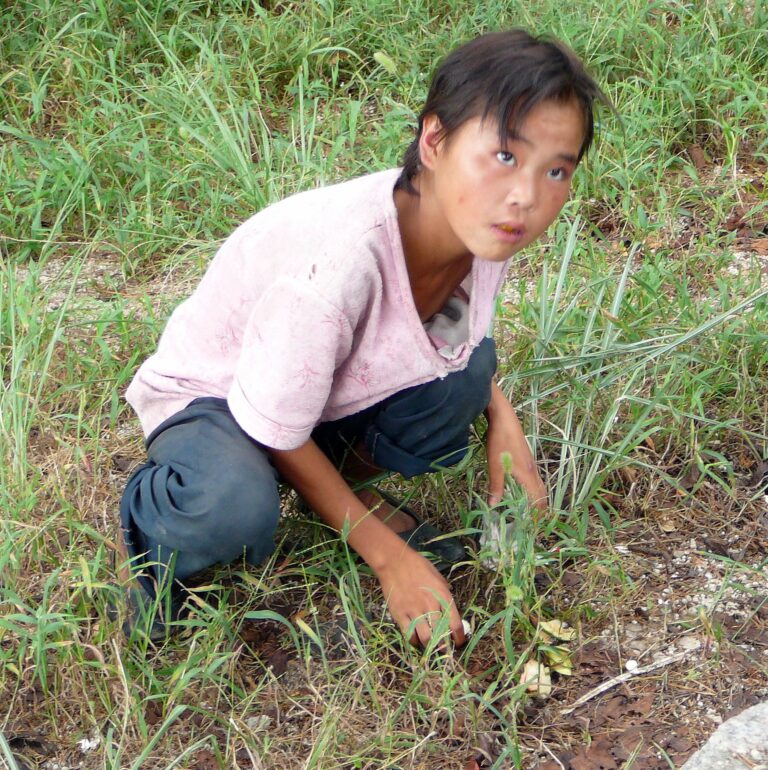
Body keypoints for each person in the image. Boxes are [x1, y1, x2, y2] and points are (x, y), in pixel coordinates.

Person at [116, 29, 608, 646]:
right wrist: (389, 560)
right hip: (218, 394)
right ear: (434, 140)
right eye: (506, 155)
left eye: (557, 170)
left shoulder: (481, 224)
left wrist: (505, 433)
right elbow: (276, 422)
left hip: (311, 389)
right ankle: (148, 528)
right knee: (231, 506)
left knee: (469, 374)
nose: (527, 196)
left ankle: (338, 499)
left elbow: (463, 339)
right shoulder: (337, 268)